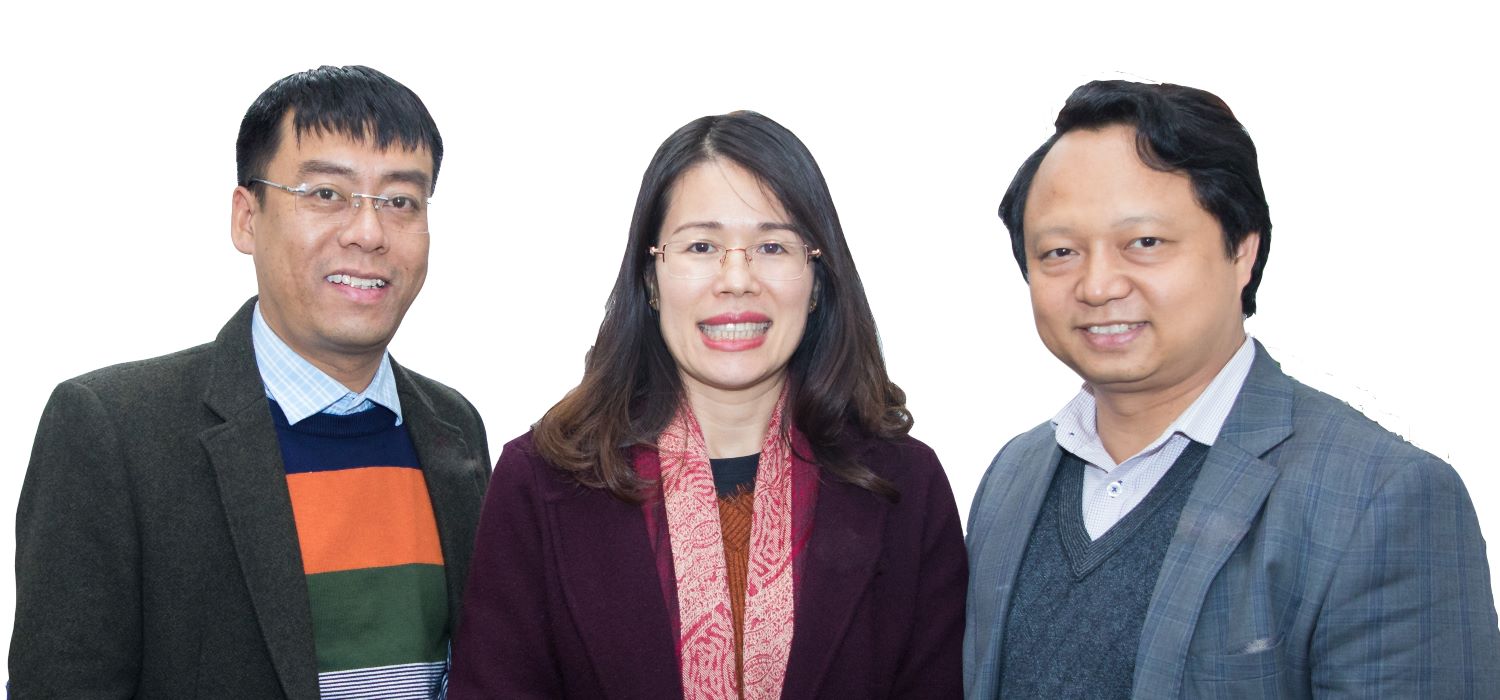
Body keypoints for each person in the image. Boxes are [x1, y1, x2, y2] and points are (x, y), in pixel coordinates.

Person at [963, 80, 1500, 698]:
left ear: (1243, 250)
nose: (1099, 285)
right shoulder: (1012, 476)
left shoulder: (1381, 495)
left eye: (1144, 243)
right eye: (1060, 251)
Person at [448, 111, 966, 699]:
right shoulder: (542, 481)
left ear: (817, 281)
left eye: (772, 246)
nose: (737, 279)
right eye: (701, 245)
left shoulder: (904, 484)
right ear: (651, 277)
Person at [9, 65, 490, 699]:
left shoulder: (455, 426)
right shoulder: (113, 431)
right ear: (246, 217)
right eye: (326, 193)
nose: (368, 233)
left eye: (400, 201)